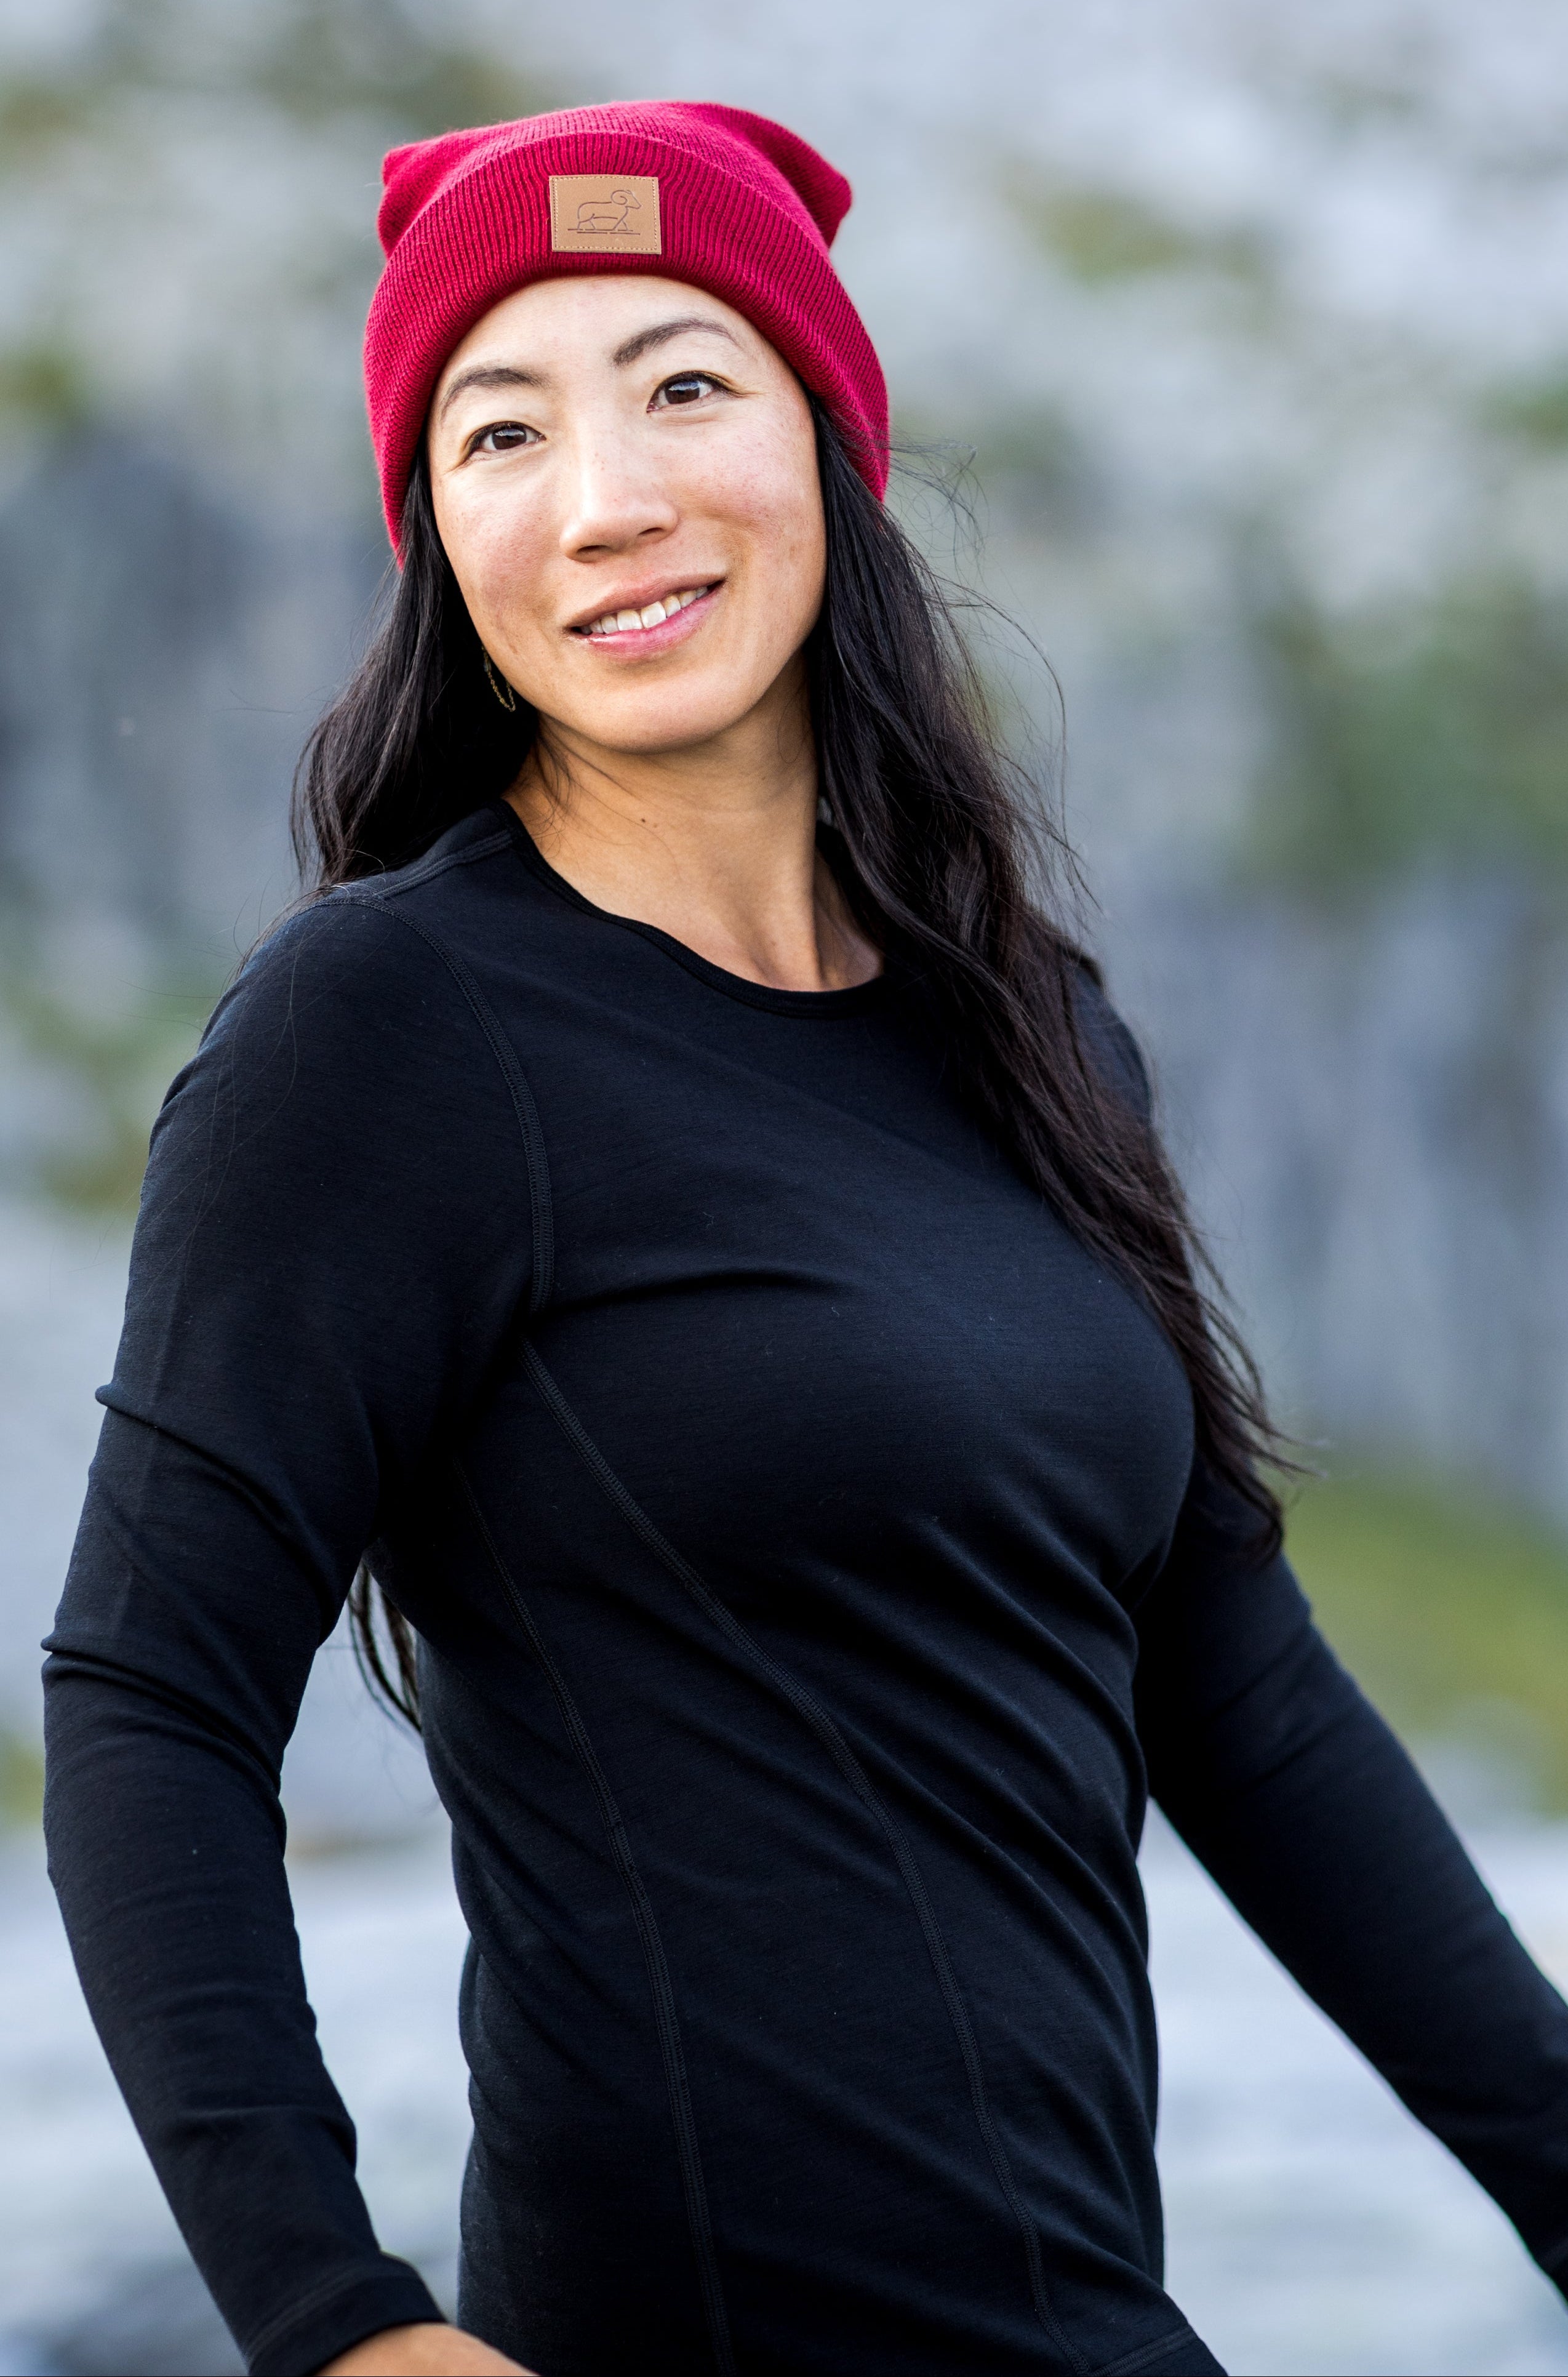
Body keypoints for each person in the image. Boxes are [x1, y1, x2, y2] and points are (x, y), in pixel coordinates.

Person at [42, 101, 1568, 2377]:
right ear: (436, 531)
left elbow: (1232, 1684)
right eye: (499, 429)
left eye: (681, 384)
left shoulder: (1033, 1030)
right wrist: (336, 2324)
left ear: (827, 445)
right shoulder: (386, 1030)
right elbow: (149, 1697)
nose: (606, 499)